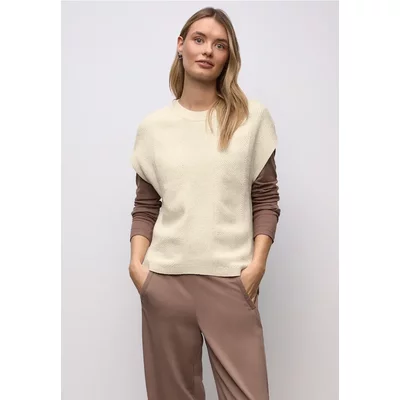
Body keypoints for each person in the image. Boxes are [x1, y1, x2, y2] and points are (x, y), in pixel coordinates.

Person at [128, 7, 280, 400]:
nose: (208, 50)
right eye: (199, 39)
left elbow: (266, 198)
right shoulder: (153, 128)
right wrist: (137, 268)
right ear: (181, 45)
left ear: (229, 57)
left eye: (220, 45)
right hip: (166, 280)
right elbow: (146, 206)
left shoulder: (251, 119)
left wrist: (256, 266)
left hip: (230, 280)